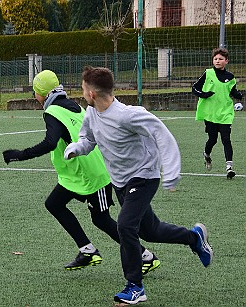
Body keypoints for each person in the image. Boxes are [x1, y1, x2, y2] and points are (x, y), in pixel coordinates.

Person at [64, 66, 213, 305]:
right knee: (149, 231)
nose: (81, 94)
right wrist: (75, 149)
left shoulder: (128, 114)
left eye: (83, 89)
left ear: (91, 93)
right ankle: (194, 238)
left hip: (144, 177)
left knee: (125, 226)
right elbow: (88, 139)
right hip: (121, 182)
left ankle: (134, 286)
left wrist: (171, 173)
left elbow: (162, 135)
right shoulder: (92, 113)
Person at [2, 70, 160, 273]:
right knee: (54, 204)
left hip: (93, 174)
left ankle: (145, 256)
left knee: (101, 220)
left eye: (36, 91)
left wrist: (20, 154)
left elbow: (50, 143)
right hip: (76, 175)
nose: (35, 96)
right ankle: (87, 250)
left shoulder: (52, 112)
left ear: (43, 93)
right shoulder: (73, 105)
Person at [193, 47, 243, 179]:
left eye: (220, 59)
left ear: (226, 61)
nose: (217, 61)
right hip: (210, 113)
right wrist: (204, 94)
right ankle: (207, 155)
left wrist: (238, 95)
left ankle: (229, 167)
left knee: (226, 139)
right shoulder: (208, 73)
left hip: (225, 112)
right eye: (215, 59)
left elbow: (232, 91)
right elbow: (195, 88)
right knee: (213, 139)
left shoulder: (230, 77)